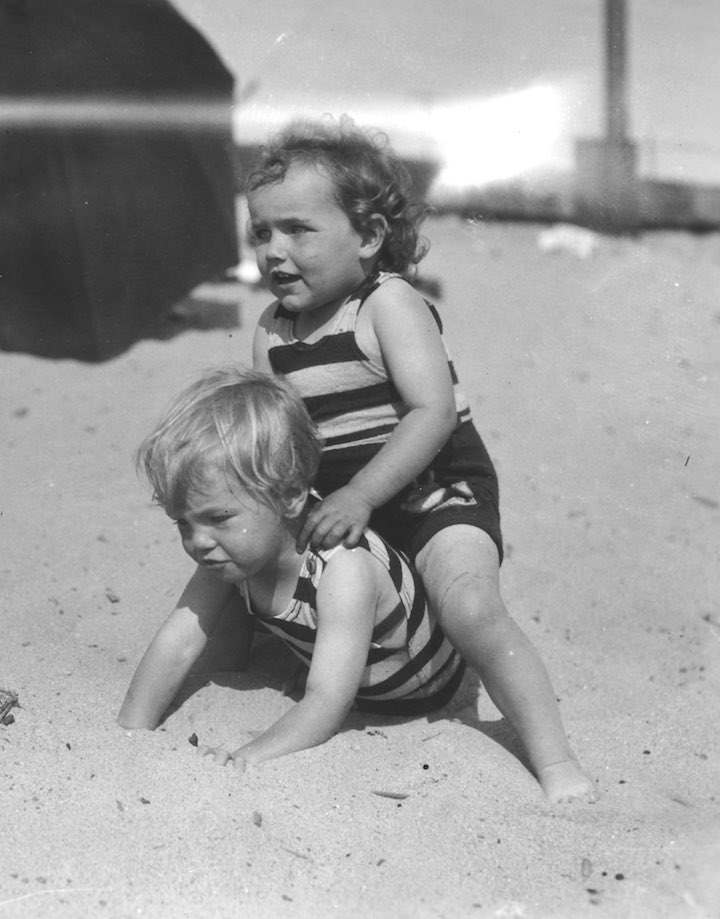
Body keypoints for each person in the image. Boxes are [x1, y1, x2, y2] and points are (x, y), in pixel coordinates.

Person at [244, 116, 594, 802]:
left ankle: (555, 760)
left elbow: (432, 414)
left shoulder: (389, 304)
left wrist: (363, 495)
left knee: (469, 603)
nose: (274, 251)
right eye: (262, 232)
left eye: (299, 230)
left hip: (436, 489)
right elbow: (276, 438)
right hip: (348, 506)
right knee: (241, 555)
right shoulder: (270, 331)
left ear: (369, 237)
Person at [118, 367, 466, 767]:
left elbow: (327, 702)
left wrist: (247, 756)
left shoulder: (342, 568)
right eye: (183, 522)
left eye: (217, 518)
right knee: (215, 602)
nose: (197, 541)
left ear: (291, 498)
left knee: (241, 594)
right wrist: (131, 731)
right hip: (339, 657)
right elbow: (177, 642)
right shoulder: (233, 550)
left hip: (414, 693)